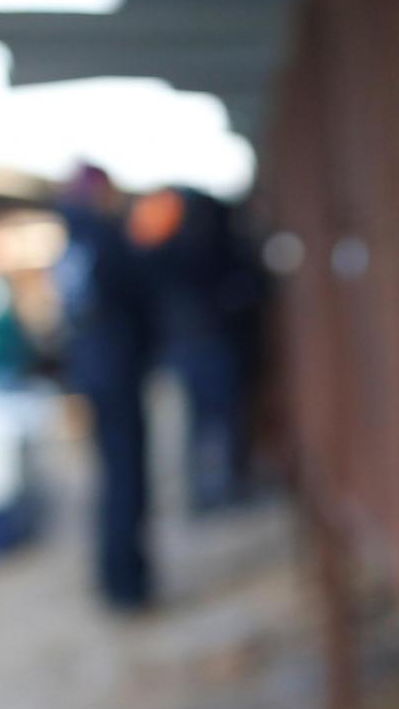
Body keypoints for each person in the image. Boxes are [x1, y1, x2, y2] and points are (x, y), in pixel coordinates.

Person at [54, 165, 155, 610]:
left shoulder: (71, 244)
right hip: (117, 371)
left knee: (110, 478)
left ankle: (115, 578)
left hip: (91, 371)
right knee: (126, 477)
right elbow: (139, 300)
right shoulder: (105, 238)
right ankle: (127, 584)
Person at [130, 185, 252, 512]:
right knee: (214, 419)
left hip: (184, 344)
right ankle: (215, 490)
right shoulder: (198, 248)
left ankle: (207, 491)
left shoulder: (160, 251)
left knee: (202, 421)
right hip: (204, 341)